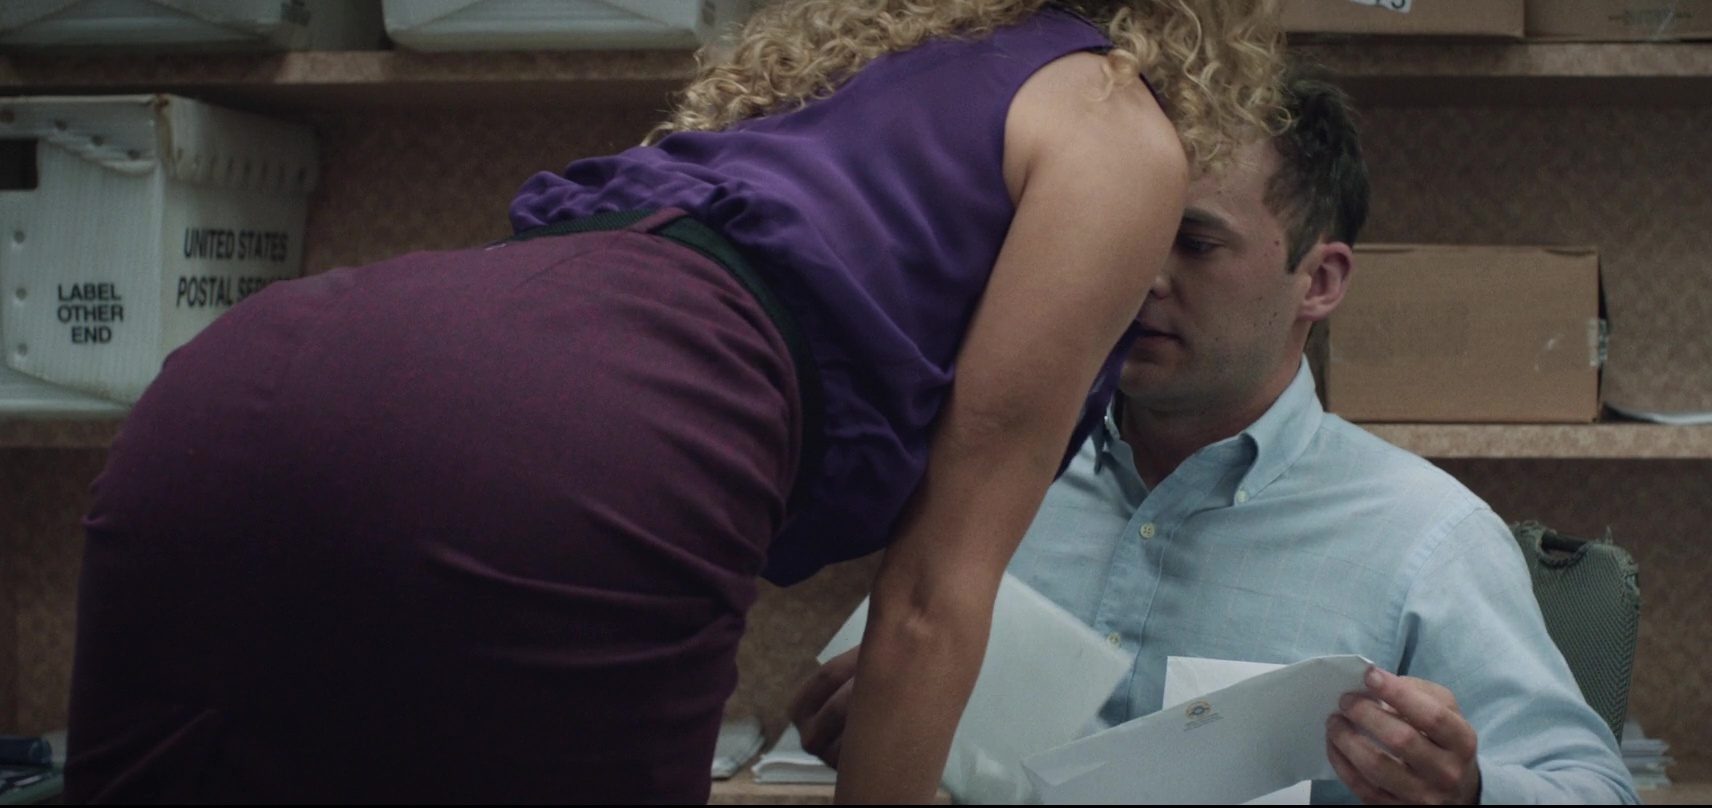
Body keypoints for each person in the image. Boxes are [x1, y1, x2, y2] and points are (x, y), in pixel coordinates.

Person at [63, 1, 1286, 803]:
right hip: (579, 443)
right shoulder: (1115, 131)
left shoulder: (873, 71)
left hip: (251, 376)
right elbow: (930, 600)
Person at [791, 76, 1639, 805]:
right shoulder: (990, 475)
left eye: (1195, 244)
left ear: (1320, 280)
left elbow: (1594, 789)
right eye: (1124, 232)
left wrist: (1470, 789)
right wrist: (883, 731)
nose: (1143, 275)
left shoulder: (1428, 538)